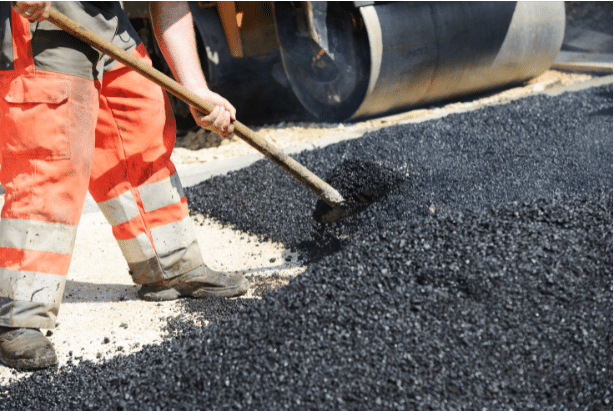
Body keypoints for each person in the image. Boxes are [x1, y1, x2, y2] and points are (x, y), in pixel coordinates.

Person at [0, 1, 248, 371]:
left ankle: (169, 264)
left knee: (140, 121)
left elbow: (170, 4)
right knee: (52, 157)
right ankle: (19, 312)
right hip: (39, 24)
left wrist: (195, 88)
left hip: (104, 25)